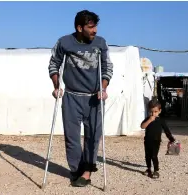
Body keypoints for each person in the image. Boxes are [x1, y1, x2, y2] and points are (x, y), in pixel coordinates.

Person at [48, 10, 113, 187]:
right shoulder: (64, 42)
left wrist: (104, 87)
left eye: (96, 26)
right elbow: (54, 64)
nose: (95, 31)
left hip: (94, 98)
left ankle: (87, 172)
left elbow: (107, 67)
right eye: (91, 27)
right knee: (72, 138)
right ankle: (76, 169)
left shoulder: (100, 43)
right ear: (79, 27)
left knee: (93, 136)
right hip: (71, 97)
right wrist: (56, 86)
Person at [140, 98, 175, 179]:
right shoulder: (148, 119)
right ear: (148, 111)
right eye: (151, 112)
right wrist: (149, 120)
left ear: (159, 111)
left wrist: (172, 139)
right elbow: (142, 126)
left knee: (154, 156)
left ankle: (156, 170)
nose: (153, 114)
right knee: (147, 156)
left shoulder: (161, 120)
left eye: (155, 112)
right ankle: (148, 169)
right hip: (147, 141)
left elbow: (167, 131)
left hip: (156, 141)